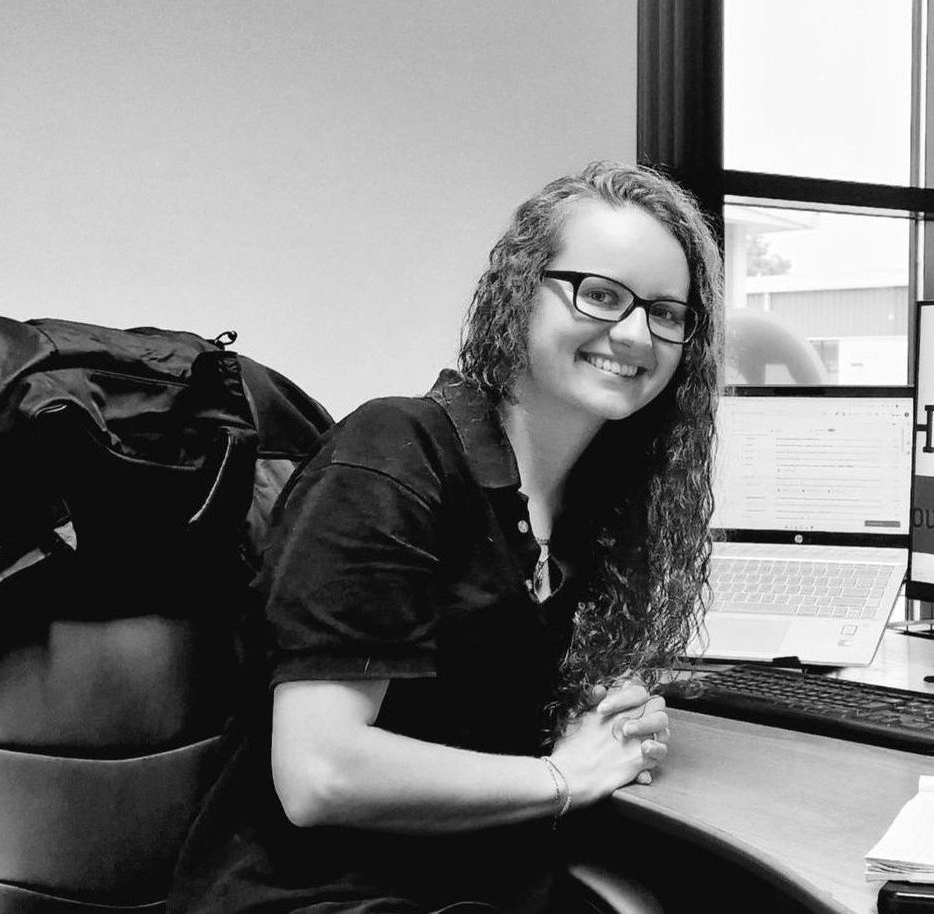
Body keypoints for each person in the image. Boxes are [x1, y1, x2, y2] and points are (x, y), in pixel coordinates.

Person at [168, 161, 724, 914]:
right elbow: (320, 774)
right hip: (312, 895)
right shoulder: (394, 454)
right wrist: (563, 775)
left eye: (666, 313)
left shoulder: (595, 511)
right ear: (519, 292)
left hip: (473, 886)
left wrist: (600, 720)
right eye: (599, 294)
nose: (634, 334)